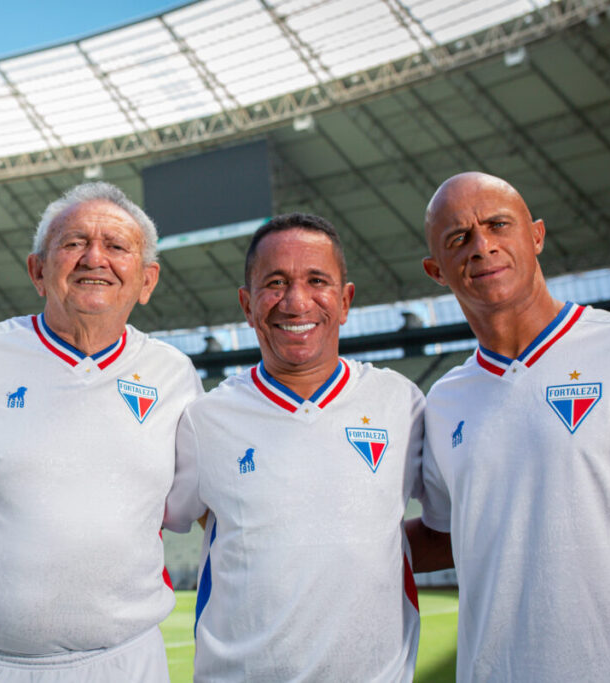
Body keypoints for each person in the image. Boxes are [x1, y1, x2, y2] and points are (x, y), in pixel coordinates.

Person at [0, 182, 202, 682]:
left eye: (116, 246)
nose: (94, 258)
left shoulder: (174, 376)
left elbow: (210, 510)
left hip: (127, 663)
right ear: (38, 271)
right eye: (73, 242)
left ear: (147, 281)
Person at [415, 171, 610, 681]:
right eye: (459, 239)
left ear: (536, 235)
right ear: (437, 270)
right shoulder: (442, 402)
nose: (482, 247)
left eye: (498, 225)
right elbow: (444, 533)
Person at [163, 213, 425, 681]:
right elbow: (176, 519)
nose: (296, 301)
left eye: (317, 280)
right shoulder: (205, 421)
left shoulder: (400, 403)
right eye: (275, 282)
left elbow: (452, 524)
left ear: (345, 301)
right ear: (247, 304)